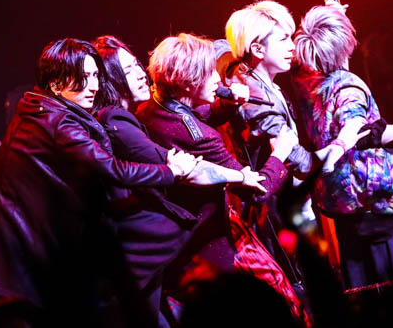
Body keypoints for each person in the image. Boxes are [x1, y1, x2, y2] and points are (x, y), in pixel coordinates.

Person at [0, 38, 199, 327]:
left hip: (16, 258)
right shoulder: (56, 121)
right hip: (12, 262)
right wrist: (171, 171)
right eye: (83, 77)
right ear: (55, 83)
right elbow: (109, 168)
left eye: (95, 75)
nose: (94, 86)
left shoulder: (42, 110)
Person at [135, 33, 327, 324]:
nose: (218, 78)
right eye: (209, 73)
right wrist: (280, 153)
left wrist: (227, 106)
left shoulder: (150, 110)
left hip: (176, 244)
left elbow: (193, 114)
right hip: (211, 245)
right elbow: (258, 190)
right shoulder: (203, 138)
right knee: (279, 304)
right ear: (187, 82)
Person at [93, 35, 267, 327]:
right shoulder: (116, 121)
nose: (141, 73)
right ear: (112, 80)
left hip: (157, 251)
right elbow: (184, 167)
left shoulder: (144, 111)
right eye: (128, 69)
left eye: (137, 64)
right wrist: (246, 173)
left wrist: (225, 107)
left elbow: (194, 118)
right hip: (143, 253)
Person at [289, 0, 393, 288]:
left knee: (369, 294)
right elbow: (358, 129)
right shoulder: (348, 87)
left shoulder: (304, 81)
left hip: (344, 204)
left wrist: (334, 17)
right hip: (383, 205)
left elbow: (311, 46)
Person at [221, 0, 368, 286]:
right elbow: (299, 163)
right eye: (283, 39)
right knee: (305, 289)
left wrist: (333, 21)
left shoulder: (258, 78)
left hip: (289, 205)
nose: (293, 46)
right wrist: (340, 144)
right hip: (278, 213)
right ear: (258, 49)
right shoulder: (255, 98)